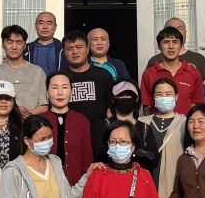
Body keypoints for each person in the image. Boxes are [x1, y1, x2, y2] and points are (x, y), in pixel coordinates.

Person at [139, 78, 186, 198]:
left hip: (172, 190)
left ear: (176, 96)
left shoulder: (185, 123)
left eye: (168, 94)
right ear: (152, 97)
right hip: (144, 190)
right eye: (159, 94)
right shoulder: (141, 123)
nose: (164, 98)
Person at [62, 30, 115, 160]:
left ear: (87, 49)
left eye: (79, 47)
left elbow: (111, 109)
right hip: (70, 138)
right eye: (69, 48)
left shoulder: (103, 75)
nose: (74, 52)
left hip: (100, 139)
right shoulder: (60, 77)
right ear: (64, 52)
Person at [0, 25, 48, 114]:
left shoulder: (37, 72)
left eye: (19, 42)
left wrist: (30, 113)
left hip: (31, 121)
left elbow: (44, 106)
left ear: (24, 45)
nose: (14, 47)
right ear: (3, 45)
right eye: (10, 42)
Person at [140, 26, 205, 117]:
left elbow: (196, 104)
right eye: (166, 42)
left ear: (181, 46)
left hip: (185, 124)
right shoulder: (149, 74)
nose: (171, 47)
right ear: (159, 46)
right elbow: (147, 106)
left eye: (175, 42)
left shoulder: (193, 72)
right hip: (157, 125)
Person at [145, 17, 205, 96]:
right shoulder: (155, 60)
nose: (175, 31)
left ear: (185, 32)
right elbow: (147, 91)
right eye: (171, 28)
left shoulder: (198, 58)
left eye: (179, 28)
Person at [108, 82, 156, 173]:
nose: (125, 99)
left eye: (129, 96)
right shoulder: (103, 125)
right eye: (120, 96)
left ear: (136, 99)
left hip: (137, 179)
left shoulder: (145, 128)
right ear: (113, 99)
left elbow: (154, 161)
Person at [25, 11, 66, 76]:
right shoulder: (26, 49)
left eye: (49, 23)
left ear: (55, 27)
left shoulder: (64, 49)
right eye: (41, 23)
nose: (45, 27)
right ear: (35, 26)